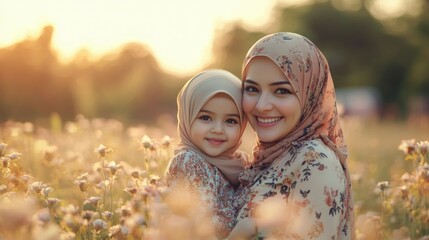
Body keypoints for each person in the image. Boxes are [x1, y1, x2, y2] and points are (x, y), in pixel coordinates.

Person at [232, 32, 355, 239]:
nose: (262, 106)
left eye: (281, 91)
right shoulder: (270, 155)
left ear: (310, 94)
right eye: (252, 89)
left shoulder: (315, 163)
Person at [165, 69, 249, 239]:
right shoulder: (189, 162)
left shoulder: (238, 164)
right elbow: (202, 228)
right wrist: (248, 226)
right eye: (205, 118)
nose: (218, 129)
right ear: (187, 117)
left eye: (230, 121)